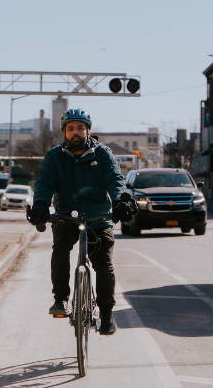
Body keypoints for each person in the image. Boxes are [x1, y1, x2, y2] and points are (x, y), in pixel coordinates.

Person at [26, 108, 133, 335]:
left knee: (103, 263)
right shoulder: (55, 156)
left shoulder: (103, 153)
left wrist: (120, 201)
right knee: (61, 250)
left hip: (98, 217)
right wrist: (40, 207)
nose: (76, 132)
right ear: (64, 132)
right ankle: (61, 300)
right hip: (66, 215)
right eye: (71, 128)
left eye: (80, 128)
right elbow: (45, 183)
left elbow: (115, 179)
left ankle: (106, 313)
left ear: (88, 131)